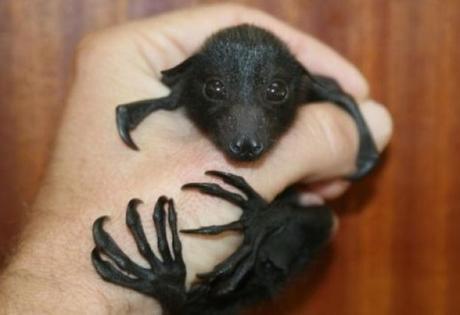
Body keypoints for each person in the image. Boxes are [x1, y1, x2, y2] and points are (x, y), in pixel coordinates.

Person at [0, 4, 392, 314]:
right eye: (217, 88)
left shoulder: (313, 96)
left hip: (263, 246)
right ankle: (170, 293)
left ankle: (171, 292)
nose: (247, 135)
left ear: (298, 87)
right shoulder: (182, 96)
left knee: (319, 222)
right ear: (191, 87)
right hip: (200, 287)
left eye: (275, 90)